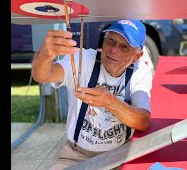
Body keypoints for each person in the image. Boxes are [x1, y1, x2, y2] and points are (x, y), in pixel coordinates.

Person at [31, 20, 153, 170]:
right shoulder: (83, 59)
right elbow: (43, 76)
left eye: (124, 47)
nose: (114, 49)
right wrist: (44, 55)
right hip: (76, 155)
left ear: (137, 56)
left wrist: (110, 102)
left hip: (119, 155)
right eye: (111, 41)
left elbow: (143, 121)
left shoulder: (139, 72)